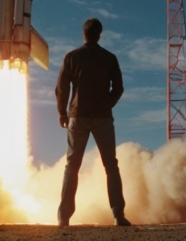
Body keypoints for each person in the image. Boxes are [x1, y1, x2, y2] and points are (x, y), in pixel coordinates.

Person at [55, 18, 131, 227]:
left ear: (84, 34)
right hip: (103, 118)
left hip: (77, 117)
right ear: (99, 34)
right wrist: (107, 104)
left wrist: (62, 112)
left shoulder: (72, 57)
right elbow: (118, 87)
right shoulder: (109, 58)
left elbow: (62, 87)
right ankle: (118, 215)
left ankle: (64, 217)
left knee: (72, 165)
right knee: (111, 166)